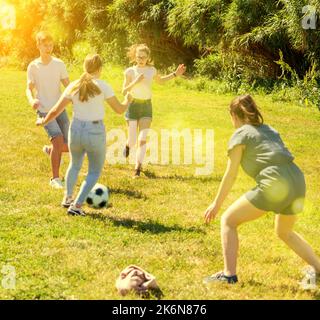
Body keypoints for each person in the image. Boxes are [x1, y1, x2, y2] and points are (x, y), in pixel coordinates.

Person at [203, 94, 320, 284]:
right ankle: (318, 267)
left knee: (228, 220)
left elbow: (231, 174)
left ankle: (228, 275)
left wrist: (216, 204)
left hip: (275, 182)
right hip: (297, 180)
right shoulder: (269, 129)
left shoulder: (240, 134)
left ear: (234, 115)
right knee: (284, 232)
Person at [36, 54, 132, 216]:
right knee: (94, 171)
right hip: (95, 131)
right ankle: (77, 205)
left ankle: (67, 198)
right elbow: (119, 110)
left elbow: (55, 110)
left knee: (74, 164)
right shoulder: (103, 86)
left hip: (76, 130)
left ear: (84, 68)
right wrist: (128, 100)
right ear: (100, 69)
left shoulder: (74, 86)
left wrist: (44, 121)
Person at [122, 44, 186, 178]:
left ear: (148, 58)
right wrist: (135, 81)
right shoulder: (130, 71)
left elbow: (161, 81)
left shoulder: (151, 70)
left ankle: (137, 168)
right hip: (132, 106)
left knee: (142, 138)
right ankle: (128, 146)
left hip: (146, 107)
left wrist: (175, 74)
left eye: (143, 57)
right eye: (139, 57)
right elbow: (124, 91)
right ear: (135, 56)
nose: (141, 59)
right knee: (133, 140)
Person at [26, 31, 70, 189]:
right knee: (58, 140)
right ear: (38, 45)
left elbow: (68, 85)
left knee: (69, 144)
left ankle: (51, 150)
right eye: (45, 45)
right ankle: (55, 179)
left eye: (51, 45)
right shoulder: (33, 66)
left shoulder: (59, 64)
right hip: (44, 110)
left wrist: (78, 97)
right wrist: (32, 100)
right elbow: (28, 88)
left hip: (60, 109)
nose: (49, 48)